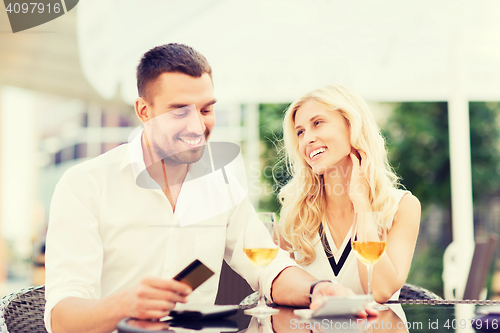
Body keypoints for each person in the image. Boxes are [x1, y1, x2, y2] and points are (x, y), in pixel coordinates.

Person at [44, 44, 369, 333]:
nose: (198, 126)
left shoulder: (220, 183)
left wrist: (317, 290)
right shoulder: (84, 185)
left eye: (206, 109)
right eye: (179, 110)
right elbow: (62, 319)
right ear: (144, 111)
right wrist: (125, 304)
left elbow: (268, 266)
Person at [278, 84, 421, 303]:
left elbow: (379, 292)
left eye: (317, 123)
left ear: (351, 126)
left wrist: (362, 204)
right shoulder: (295, 213)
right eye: (300, 132)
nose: (307, 139)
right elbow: (279, 290)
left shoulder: (402, 206)